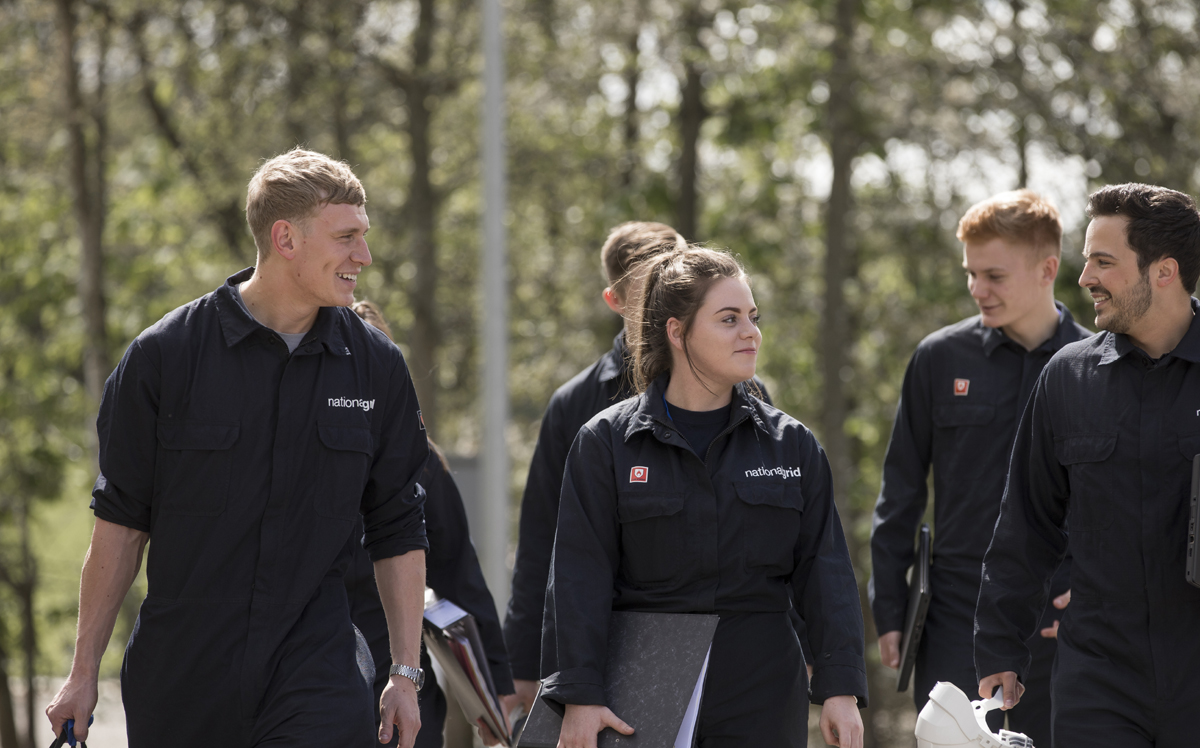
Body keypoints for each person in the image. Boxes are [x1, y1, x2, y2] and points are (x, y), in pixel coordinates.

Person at [45, 149, 429, 748]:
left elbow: (399, 526)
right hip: (185, 678)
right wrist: (81, 672)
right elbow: (119, 525)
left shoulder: (376, 368)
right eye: (347, 236)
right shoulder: (164, 358)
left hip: (315, 672)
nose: (364, 256)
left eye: (364, 236)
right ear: (285, 238)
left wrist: (404, 674)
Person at [541, 247, 866, 748]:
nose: (751, 333)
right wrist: (580, 697)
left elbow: (826, 572)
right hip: (641, 689)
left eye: (753, 318)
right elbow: (579, 578)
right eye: (729, 319)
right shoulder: (605, 442)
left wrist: (840, 687)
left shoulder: (792, 443)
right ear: (677, 331)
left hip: (761, 692)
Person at [503, 222, 793, 715]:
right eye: (650, 295)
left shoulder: (749, 392)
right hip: (625, 653)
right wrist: (527, 664)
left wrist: (815, 655)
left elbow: (786, 532)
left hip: (742, 665)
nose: (665, 305)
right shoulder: (578, 408)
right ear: (615, 301)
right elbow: (545, 545)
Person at [975, 183, 1200, 747]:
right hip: (1099, 678)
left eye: (1104, 261)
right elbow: (1026, 522)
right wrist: (1001, 644)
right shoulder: (1067, 378)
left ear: (1164, 271)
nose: (1084, 279)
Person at [868, 190, 1089, 742]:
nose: (976, 290)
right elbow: (900, 490)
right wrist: (891, 607)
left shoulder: (1096, 367)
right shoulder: (937, 359)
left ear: (1047, 269)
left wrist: (1088, 587)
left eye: (993, 275)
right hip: (953, 615)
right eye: (970, 273)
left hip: (1062, 619)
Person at [347, 300, 513, 748]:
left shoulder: (421, 460)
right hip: (315, 683)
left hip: (400, 686)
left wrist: (493, 690)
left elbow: (458, 571)